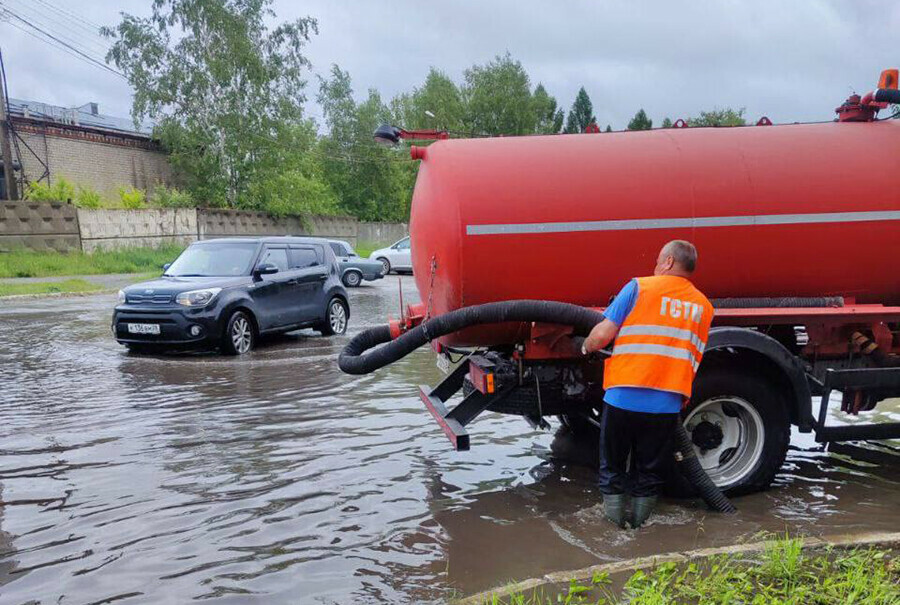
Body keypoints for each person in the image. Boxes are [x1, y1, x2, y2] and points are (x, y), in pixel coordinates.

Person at [581, 240, 713, 528]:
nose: (654, 266)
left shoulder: (640, 287)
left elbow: (603, 334)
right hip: (665, 403)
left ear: (667, 262)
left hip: (623, 397)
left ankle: (614, 529)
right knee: (649, 470)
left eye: (657, 261)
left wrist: (586, 347)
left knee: (613, 466)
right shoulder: (704, 306)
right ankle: (640, 530)